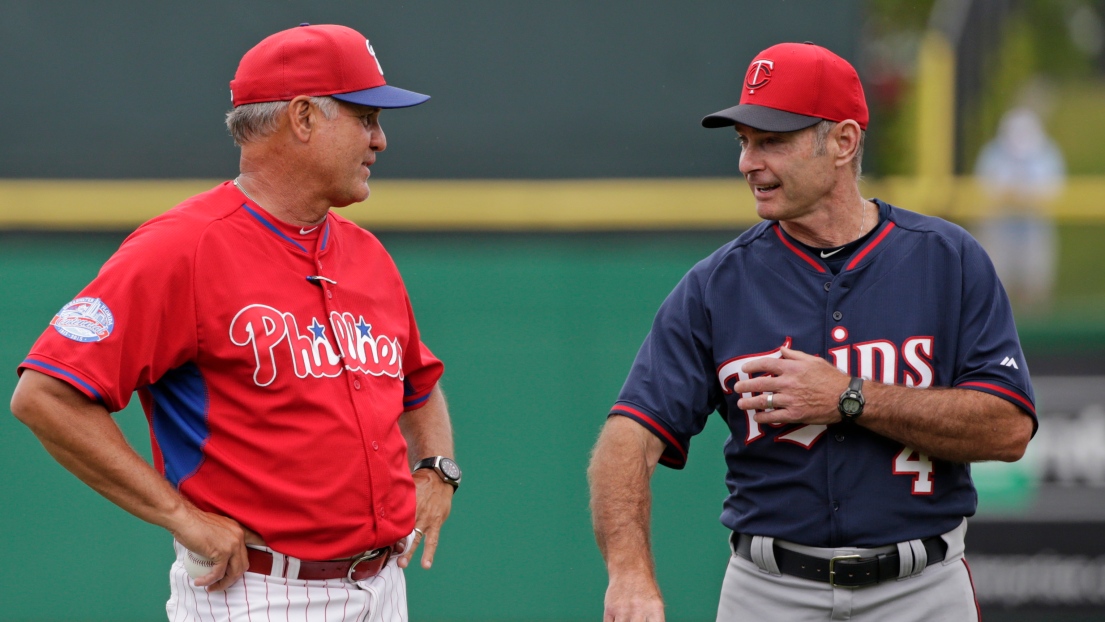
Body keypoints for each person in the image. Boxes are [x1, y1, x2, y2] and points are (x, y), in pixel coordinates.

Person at [10, 23, 461, 621]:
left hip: (383, 589)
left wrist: (438, 468)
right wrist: (180, 516)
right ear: (302, 118)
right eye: (365, 117)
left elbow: (416, 386)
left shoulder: (366, 254)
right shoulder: (183, 248)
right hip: (261, 592)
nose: (379, 140)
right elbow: (45, 395)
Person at [588, 42, 1036, 622]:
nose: (750, 162)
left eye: (772, 141)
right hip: (769, 591)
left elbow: (1008, 429)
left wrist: (849, 398)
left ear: (844, 142)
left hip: (920, 588)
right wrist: (629, 575)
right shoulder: (717, 286)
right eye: (744, 142)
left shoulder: (946, 260)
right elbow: (628, 436)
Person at [974, 106, 1065, 313]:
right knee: (995, 288)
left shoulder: (1046, 152)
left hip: (1034, 229)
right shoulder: (993, 153)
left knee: (1034, 288)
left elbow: (1052, 189)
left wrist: (1023, 194)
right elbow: (985, 188)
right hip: (998, 229)